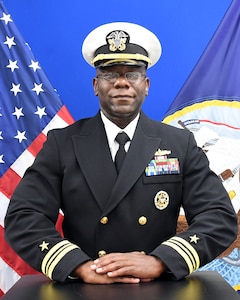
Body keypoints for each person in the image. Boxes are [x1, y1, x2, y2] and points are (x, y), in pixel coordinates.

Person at [5, 22, 237, 284]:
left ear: (146, 84)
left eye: (132, 74)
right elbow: (23, 215)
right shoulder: (63, 143)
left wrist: (161, 261)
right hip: (85, 286)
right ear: (95, 85)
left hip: (157, 287)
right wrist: (77, 265)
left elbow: (219, 217)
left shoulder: (179, 144)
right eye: (110, 74)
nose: (122, 83)